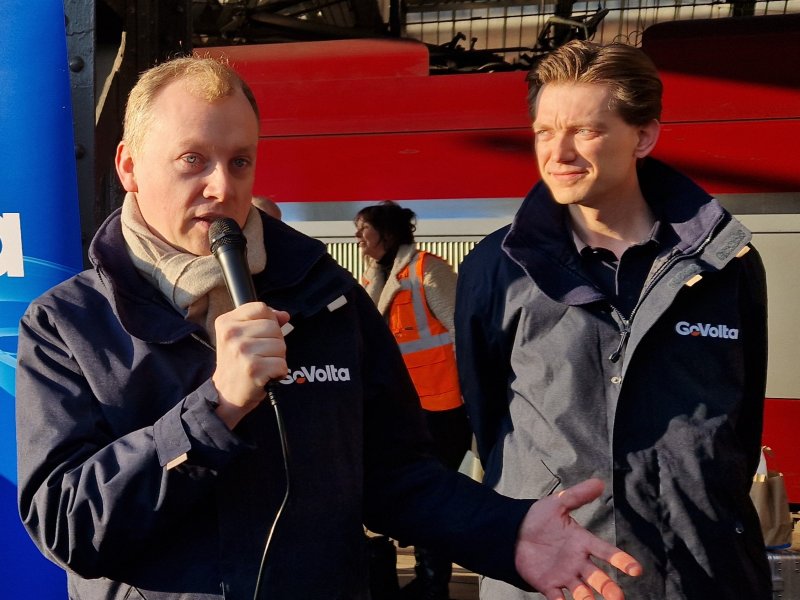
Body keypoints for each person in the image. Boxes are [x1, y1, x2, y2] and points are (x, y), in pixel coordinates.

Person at [14, 55, 642, 600]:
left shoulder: (327, 298)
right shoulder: (67, 325)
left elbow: (396, 475)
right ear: (128, 166)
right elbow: (69, 525)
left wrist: (506, 530)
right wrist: (216, 408)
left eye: (240, 161)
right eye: (192, 160)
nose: (221, 186)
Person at [454, 39, 770, 600]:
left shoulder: (727, 265)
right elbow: (486, 419)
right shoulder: (495, 271)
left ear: (643, 135)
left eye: (586, 131)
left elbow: (741, 426)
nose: (560, 152)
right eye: (545, 132)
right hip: (552, 581)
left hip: (702, 575)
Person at [355, 201, 471, 600]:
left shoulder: (428, 269)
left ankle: (433, 582)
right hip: (402, 408)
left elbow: (462, 332)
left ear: (386, 233)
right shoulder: (375, 278)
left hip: (442, 406)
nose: (357, 238)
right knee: (413, 494)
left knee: (433, 495)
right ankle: (426, 579)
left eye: (363, 229)